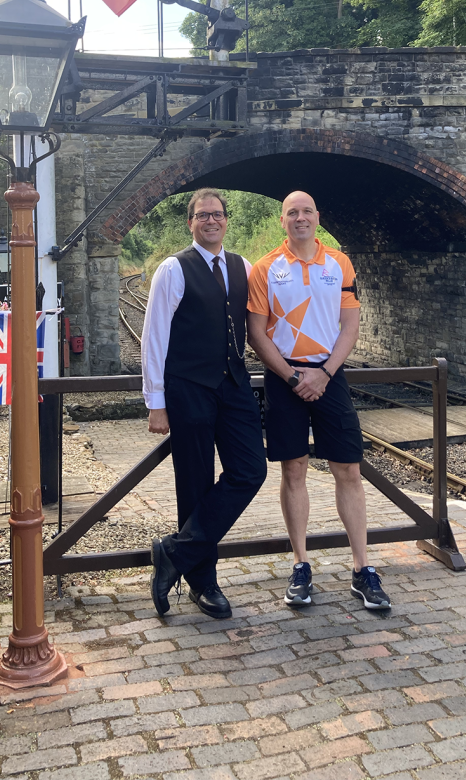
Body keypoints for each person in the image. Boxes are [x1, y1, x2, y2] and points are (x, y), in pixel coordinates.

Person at [247, 191, 390, 610]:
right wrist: (293, 376)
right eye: (292, 212)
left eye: (306, 211)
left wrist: (324, 373)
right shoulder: (265, 268)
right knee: (293, 468)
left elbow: (350, 325)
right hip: (283, 376)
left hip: (330, 375)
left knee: (348, 467)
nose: (300, 218)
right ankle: (301, 564)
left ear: (318, 217)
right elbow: (257, 332)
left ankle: (362, 568)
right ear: (282, 220)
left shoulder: (340, 263)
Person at [142, 187, 266, 619]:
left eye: (217, 214)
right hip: (188, 386)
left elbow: (259, 322)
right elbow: (154, 337)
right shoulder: (173, 268)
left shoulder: (243, 267)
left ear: (226, 220)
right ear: (190, 223)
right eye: (201, 215)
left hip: (233, 384)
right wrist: (155, 402)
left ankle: (174, 553)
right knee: (193, 483)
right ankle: (203, 584)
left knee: (251, 469)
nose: (210, 221)